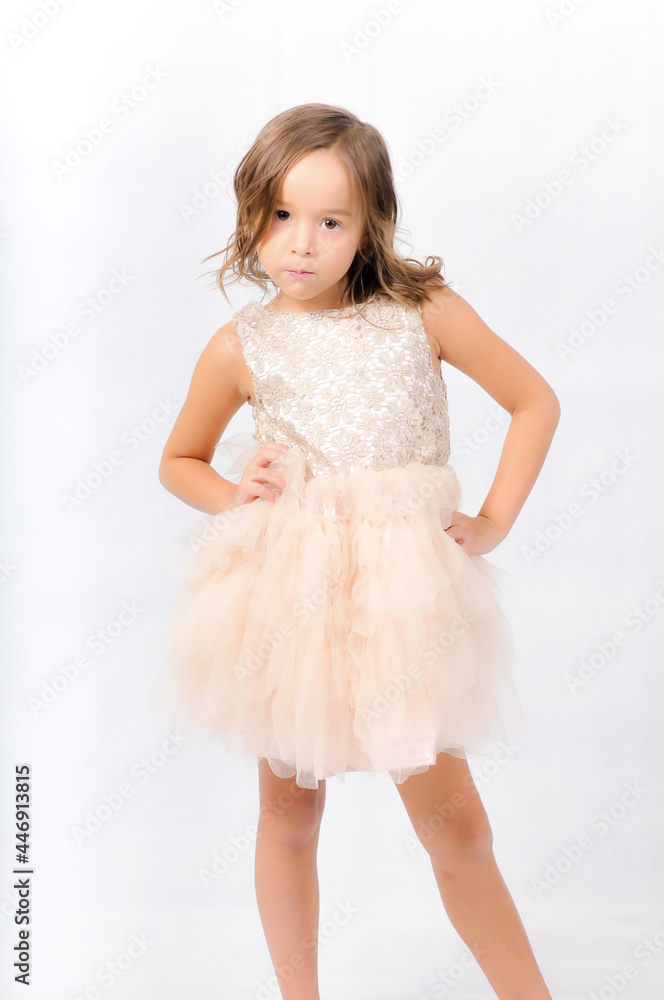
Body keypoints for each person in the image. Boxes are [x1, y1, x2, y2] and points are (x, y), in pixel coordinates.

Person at [150, 103, 560, 1000]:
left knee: (456, 828)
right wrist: (235, 492)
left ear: (370, 224)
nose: (301, 243)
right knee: (290, 814)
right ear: (250, 214)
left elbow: (535, 401)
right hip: (287, 598)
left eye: (330, 221)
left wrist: (491, 521)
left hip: (404, 602)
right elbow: (177, 461)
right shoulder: (241, 345)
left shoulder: (423, 313)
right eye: (281, 217)